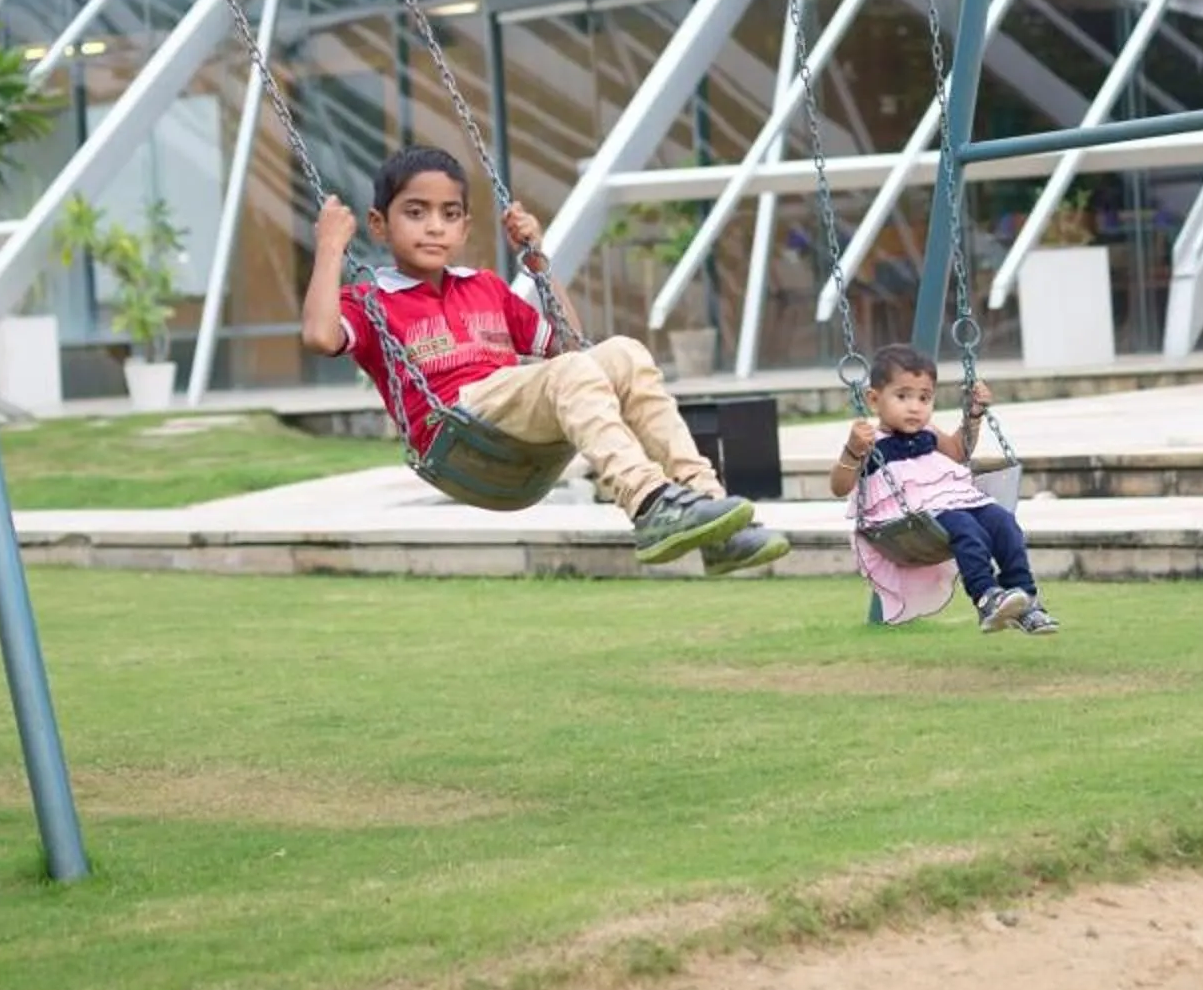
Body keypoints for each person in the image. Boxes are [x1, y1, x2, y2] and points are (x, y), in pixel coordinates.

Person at [299, 145, 787, 574]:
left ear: (465, 226)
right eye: (416, 212)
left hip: (515, 410)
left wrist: (538, 264)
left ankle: (712, 511)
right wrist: (329, 248)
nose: (434, 227)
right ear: (380, 224)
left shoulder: (484, 286)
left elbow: (573, 347)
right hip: (457, 426)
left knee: (623, 353)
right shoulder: (371, 301)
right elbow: (320, 336)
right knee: (570, 371)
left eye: (450, 214)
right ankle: (647, 501)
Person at [831, 344, 1059, 634]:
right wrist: (852, 452)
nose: (915, 407)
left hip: (953, 500)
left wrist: (973, 416)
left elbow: (957, 451)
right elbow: (839, 486)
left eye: (924, 398)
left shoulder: (929, 432)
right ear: (875, 400)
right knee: (966, 528)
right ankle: (987, 597)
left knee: (1004, 521)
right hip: (913, 514)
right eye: (902, 396)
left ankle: (1025, 598)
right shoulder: (869, 440)